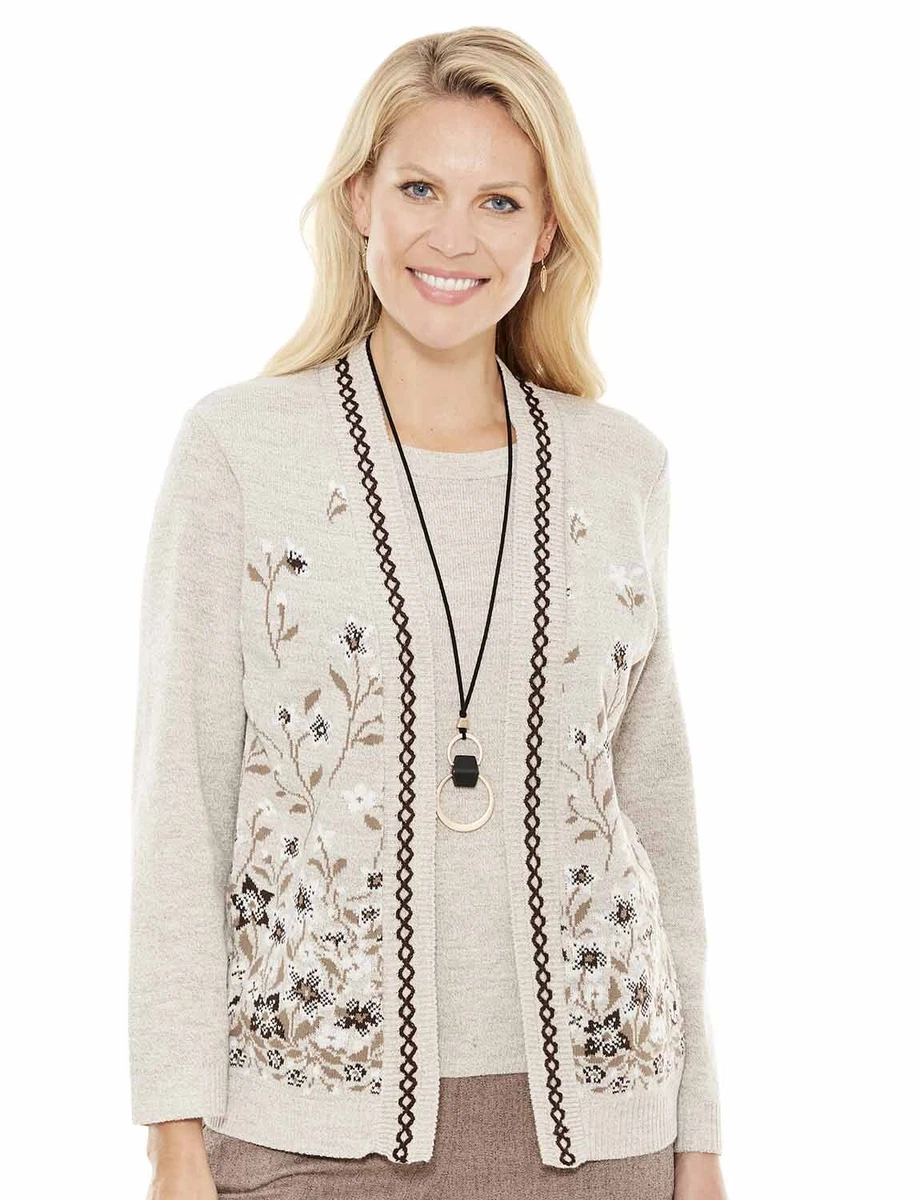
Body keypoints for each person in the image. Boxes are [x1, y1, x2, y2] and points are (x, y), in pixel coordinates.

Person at [128, 25, 728, 1200]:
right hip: (307, 1132)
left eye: (499, 201)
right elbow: (179, 806)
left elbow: (658, 815)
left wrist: (697, 1141)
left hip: (606, 1131)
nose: (454, 237)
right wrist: (173, 1137)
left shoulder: (621, 468)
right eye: (419, 189)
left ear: (546, 232)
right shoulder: (240, 450)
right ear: (359, 199)